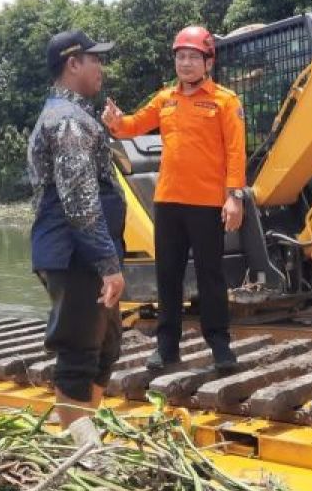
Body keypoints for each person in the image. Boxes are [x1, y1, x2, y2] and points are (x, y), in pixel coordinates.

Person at [102, 25, 246, 374]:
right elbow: (134, 125)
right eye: (181, 57)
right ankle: (167, 348)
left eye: (193, 57)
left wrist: (234, 198)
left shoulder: (225, 101)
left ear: (207, 61)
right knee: (168, 276)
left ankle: (220, 346)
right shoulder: (164, 99)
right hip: (168, 202)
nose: (185, 63)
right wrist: (115, 122)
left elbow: (235, 151)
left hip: (208, 203)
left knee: (211, 276)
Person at [28, 29, 126, 443]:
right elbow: (80, 201)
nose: (100, 68)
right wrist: (107, 264)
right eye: (94, 59)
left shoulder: (76, 115)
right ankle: (78, 458)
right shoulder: (67, 120)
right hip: (76, 255)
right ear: (73, 64)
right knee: (80, 351)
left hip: (85, 253)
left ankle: (86, 439)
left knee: (105, 347)